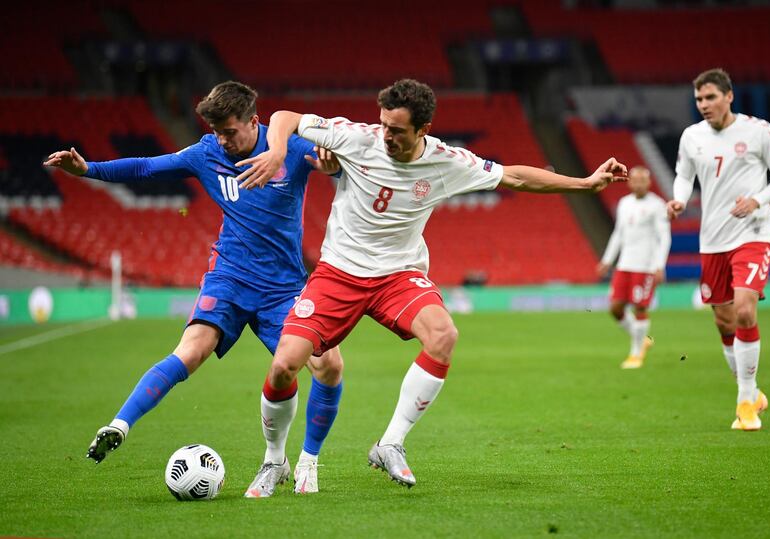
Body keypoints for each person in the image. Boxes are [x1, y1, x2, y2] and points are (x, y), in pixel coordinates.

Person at [233, 78, 627, 490]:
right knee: (283, 366)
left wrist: (584, 184)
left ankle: (391, 442)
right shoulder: (358, 138)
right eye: (384, 124)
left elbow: (516, 177)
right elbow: (286, 117)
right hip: (338, 273)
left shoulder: (446, 161)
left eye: (397, 130)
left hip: (398, 276)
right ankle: (274, 460)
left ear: (423, 129)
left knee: (443, 335)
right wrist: (277, 147)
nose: (386, 135)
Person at [44, 81, 345, 495]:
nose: (222, 140)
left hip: (283, 287)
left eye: (229, 131)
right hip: (229, 278)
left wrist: (335, 165)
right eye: (216, 131)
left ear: (254, 122)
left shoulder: (290, 150)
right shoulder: (207, 153)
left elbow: (346, 163)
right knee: (190, 351)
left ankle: (307, 459)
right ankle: (120, 423)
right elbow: (148, 167)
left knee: (327, 365)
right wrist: (89, 170)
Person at [666, 68, 770, 431]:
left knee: (743, 310)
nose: (703, 105)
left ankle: (745, 403)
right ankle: (752, 393)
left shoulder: (759, 131)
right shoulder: (692, 137)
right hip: (712, 240)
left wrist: (757, 200)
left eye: (709, 98)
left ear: (729, 96)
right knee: (723, 321)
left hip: (753, 233)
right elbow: (683, 176)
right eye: (698, 100)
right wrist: (678, 201)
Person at [597, 166, 671, 369]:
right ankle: (642, 339)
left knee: (640, 307)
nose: (638, 184)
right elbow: (618, 234)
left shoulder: (657, 205)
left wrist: (659, 265)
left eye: (642, 180)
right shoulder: (624, 203)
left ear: (649, 182)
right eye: (635, 180)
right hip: (625, 264)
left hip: (645, 266)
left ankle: (636, 353)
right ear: (630, 182)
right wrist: (607, 260)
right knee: (615, 308)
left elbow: (663, 236)